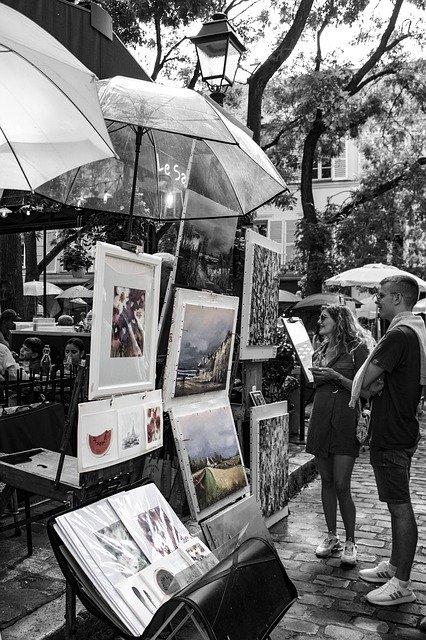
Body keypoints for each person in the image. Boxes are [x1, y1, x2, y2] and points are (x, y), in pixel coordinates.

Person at [350, 275, 426, 606]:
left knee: (399, 507)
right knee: (397, 504)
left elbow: (365, 380)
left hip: (392, 431)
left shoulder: (397, 335)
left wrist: (369, 387)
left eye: (380, 295)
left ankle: (403, 583)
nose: (376, 300)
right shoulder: (417, 330)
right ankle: (395, 567)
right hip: (402, 427)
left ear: (397, 298)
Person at [306, 305, 373, 565]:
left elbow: (365, 391)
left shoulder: (358, 349)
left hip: (345, 418)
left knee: (342, 483)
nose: (319, 321)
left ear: (339, 321)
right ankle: (332, 536)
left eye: (324, 318)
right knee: (326, 480)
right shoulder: (320, 350)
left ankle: (351, 541)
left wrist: (336, 377)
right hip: (321, 416)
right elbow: (316, 384)